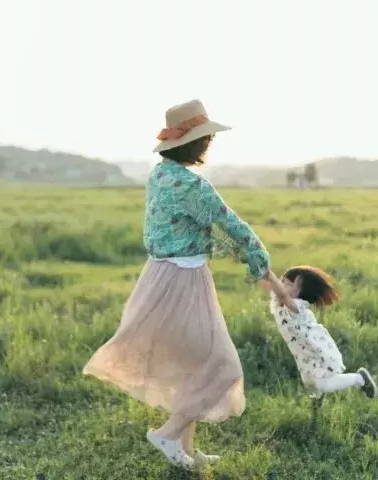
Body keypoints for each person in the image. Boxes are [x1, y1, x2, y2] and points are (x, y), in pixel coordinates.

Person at [82, 99, 295, 469]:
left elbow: (197, 228)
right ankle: (166, 434)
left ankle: (186, 451)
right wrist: (271, 277)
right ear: (198, 143)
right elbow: (238, 231)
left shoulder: (160, 174)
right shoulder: (194, 187)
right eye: (207, 139)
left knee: (192, 365)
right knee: (222, 366)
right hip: (183, 281)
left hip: (158, 278)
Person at [266, 265, 378, 404]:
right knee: (308, 381)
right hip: (304, 353)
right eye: (281, 281)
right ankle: (317, 401)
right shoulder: (279, 303)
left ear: (300, 293)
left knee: (322, 383)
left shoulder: (297, 307)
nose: (281, 285)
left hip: (316, 350)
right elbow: (276, 290)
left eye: (288, 284)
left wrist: (269, 274)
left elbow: (283, 295)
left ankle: (359, 379)